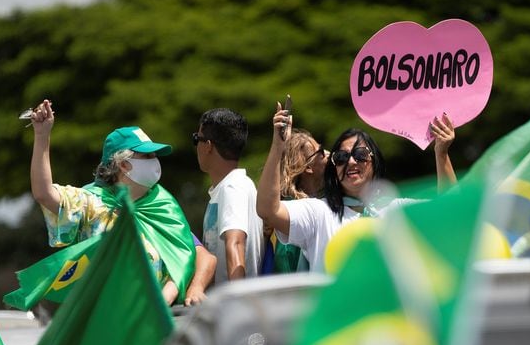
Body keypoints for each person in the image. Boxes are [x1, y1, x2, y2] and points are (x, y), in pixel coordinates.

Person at [28, 99, 216, 305]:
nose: (156, 161)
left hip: (159, 322)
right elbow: (44, 194)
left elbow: (197, 257)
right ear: (124, 164)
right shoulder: (92, 204)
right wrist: (42, 136)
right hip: (109, 321)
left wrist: (180, 292)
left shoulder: (162, 206)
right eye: (148, 155)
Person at [257, 103, 458, 272]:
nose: (351, 162)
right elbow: (268, 210)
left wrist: (442, 154)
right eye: (342, 157)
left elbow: (452, 212)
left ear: (374, 161)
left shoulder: (396, 210)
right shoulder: (319, 212)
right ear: (334, 168)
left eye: (360, 154)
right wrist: (278, 147)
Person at [194, 108, 266, 285]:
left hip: (232, 306)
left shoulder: (233, 187)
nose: (196, 146)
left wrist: (236, 300)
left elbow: (235, 243)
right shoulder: (234, 186)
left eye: (197, 139)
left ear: (208, 145)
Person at [266, 127, 330, 273]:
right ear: (308, 167)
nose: (328, 154)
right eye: (321, 152)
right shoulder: (293, 217)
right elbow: (287, 271)